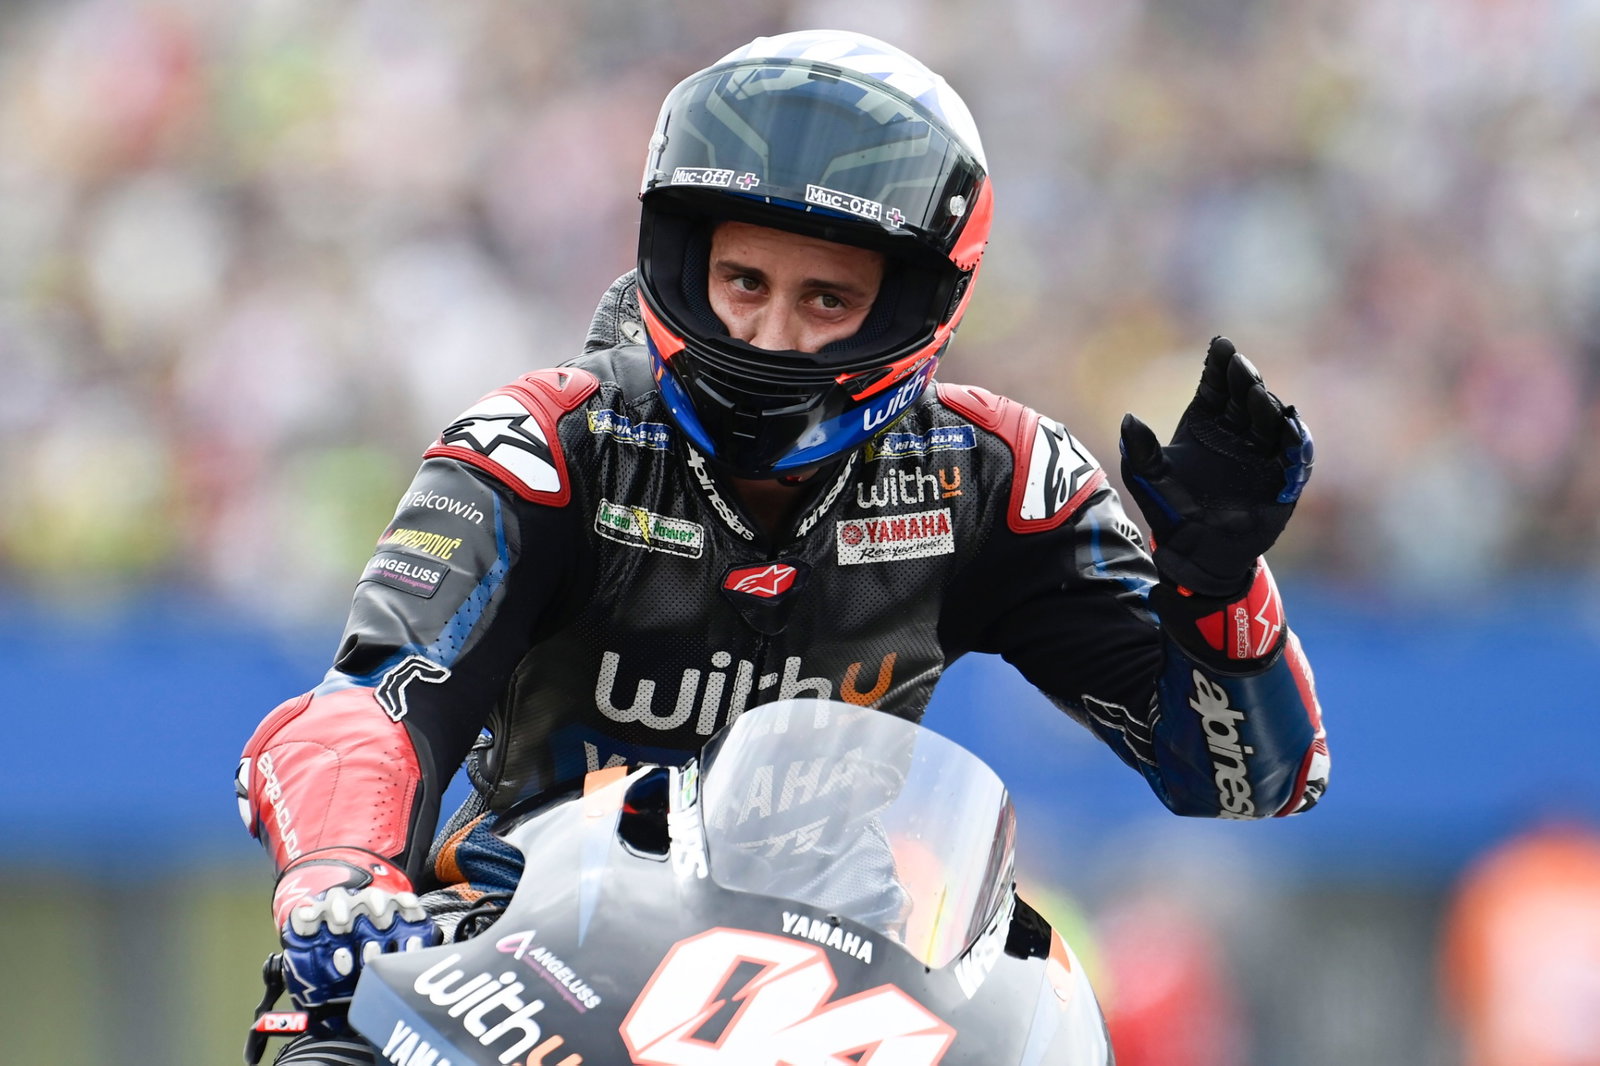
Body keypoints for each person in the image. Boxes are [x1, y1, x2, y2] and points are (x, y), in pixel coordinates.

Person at [237, 29, 1330, 1063]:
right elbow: (370, 705)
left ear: (911, 305)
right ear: (680, 260)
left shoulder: (994, 475)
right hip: (503, 975)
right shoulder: (544, 443)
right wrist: (338, 875)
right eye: (745, 283)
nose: (770, 333)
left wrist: (1217, 589)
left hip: (815, 1002)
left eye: (827, 299)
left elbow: (1247, 785)